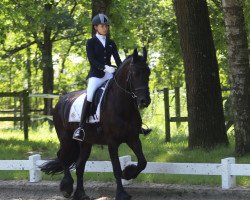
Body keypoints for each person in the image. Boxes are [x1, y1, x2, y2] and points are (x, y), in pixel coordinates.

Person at [73, 14, 151, 141]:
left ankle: (138, 125)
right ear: (95, 27)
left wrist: (121, 70)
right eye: (102, 26)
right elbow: (92, 61)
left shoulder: (111, 43)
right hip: (96, 76)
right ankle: (81, 128)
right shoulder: (91, 42)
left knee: (127, 93)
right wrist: (104, 67)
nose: (105, 28)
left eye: (106, 26)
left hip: (110, 75)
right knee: (91, 95)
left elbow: (118, 60)